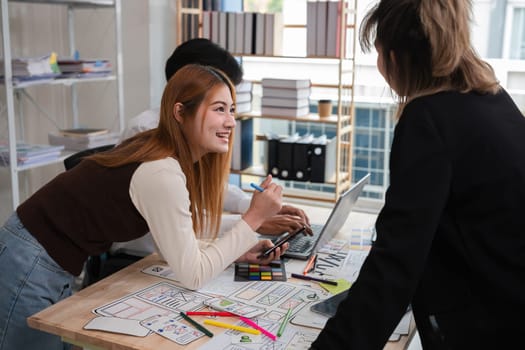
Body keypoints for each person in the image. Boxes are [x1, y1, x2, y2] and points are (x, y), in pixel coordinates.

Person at [0, 64, 289, 350]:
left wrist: (242, 237)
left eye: (232, 110)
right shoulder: (161, 170)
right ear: (180, 113)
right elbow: (193, 275)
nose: (230, 122)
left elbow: (176, 232)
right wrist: (251, 219)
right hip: (30, 258)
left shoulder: (166, 153)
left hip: (48, 259)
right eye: (218, 109)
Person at [311, 0, 525, 349]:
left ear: (395, 57)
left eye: (378, 54)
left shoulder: (429, 118)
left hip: (491, 325)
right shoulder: (494, 100)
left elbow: (395, 263)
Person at [111, 38, 311, 264]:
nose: (229, 121)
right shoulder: (147, 130)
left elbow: (206, 186)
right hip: (138, 256)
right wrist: (252, 220)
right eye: (218, 101)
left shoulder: (196, 132)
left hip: (176, 252)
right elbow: (179, 221)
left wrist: (257, 209)